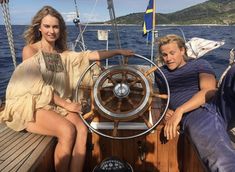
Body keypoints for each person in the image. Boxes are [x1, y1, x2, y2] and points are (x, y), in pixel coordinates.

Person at [0, 5, 134, 172]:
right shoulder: (31, 50)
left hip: (54, 105)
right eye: (47, 26)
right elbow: (37, 86)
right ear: (39, 28)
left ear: (60, 29)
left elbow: (89, 55)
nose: (51, 31)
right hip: (32, 103)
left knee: (82, 130)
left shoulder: (63, 55)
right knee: (67, 130)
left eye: (55, 26)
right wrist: (67, 105)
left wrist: (118, 51)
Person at [155, 34, 235, 171]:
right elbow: (163, 97)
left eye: (172, 53)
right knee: (222, 163)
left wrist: (179, 111)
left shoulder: (199, 64)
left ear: (182, 50)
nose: (168, 58)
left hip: (216, 104)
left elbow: (209, 90)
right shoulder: (159, 73)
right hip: (195, 116)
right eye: (164, 55)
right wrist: (164, 110)